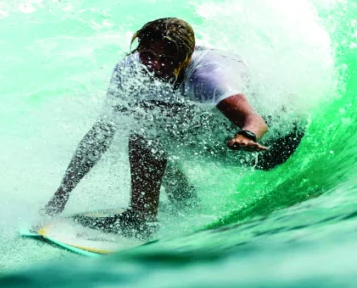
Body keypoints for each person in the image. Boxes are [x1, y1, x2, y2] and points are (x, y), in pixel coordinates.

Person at [43, 17, 305, 238]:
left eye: (167, 59)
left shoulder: (207, 76)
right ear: (138, 49)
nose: (156, 65)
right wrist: (62, 192)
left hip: (272, 145)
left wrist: (246, 135)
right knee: (145, 118)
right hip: (226, 139)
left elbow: (254, 120)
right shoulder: (129, 70)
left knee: (146, 129)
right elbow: (101, 134)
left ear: (185, 57)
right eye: (149, 55)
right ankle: (186, 205)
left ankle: (141, 220)